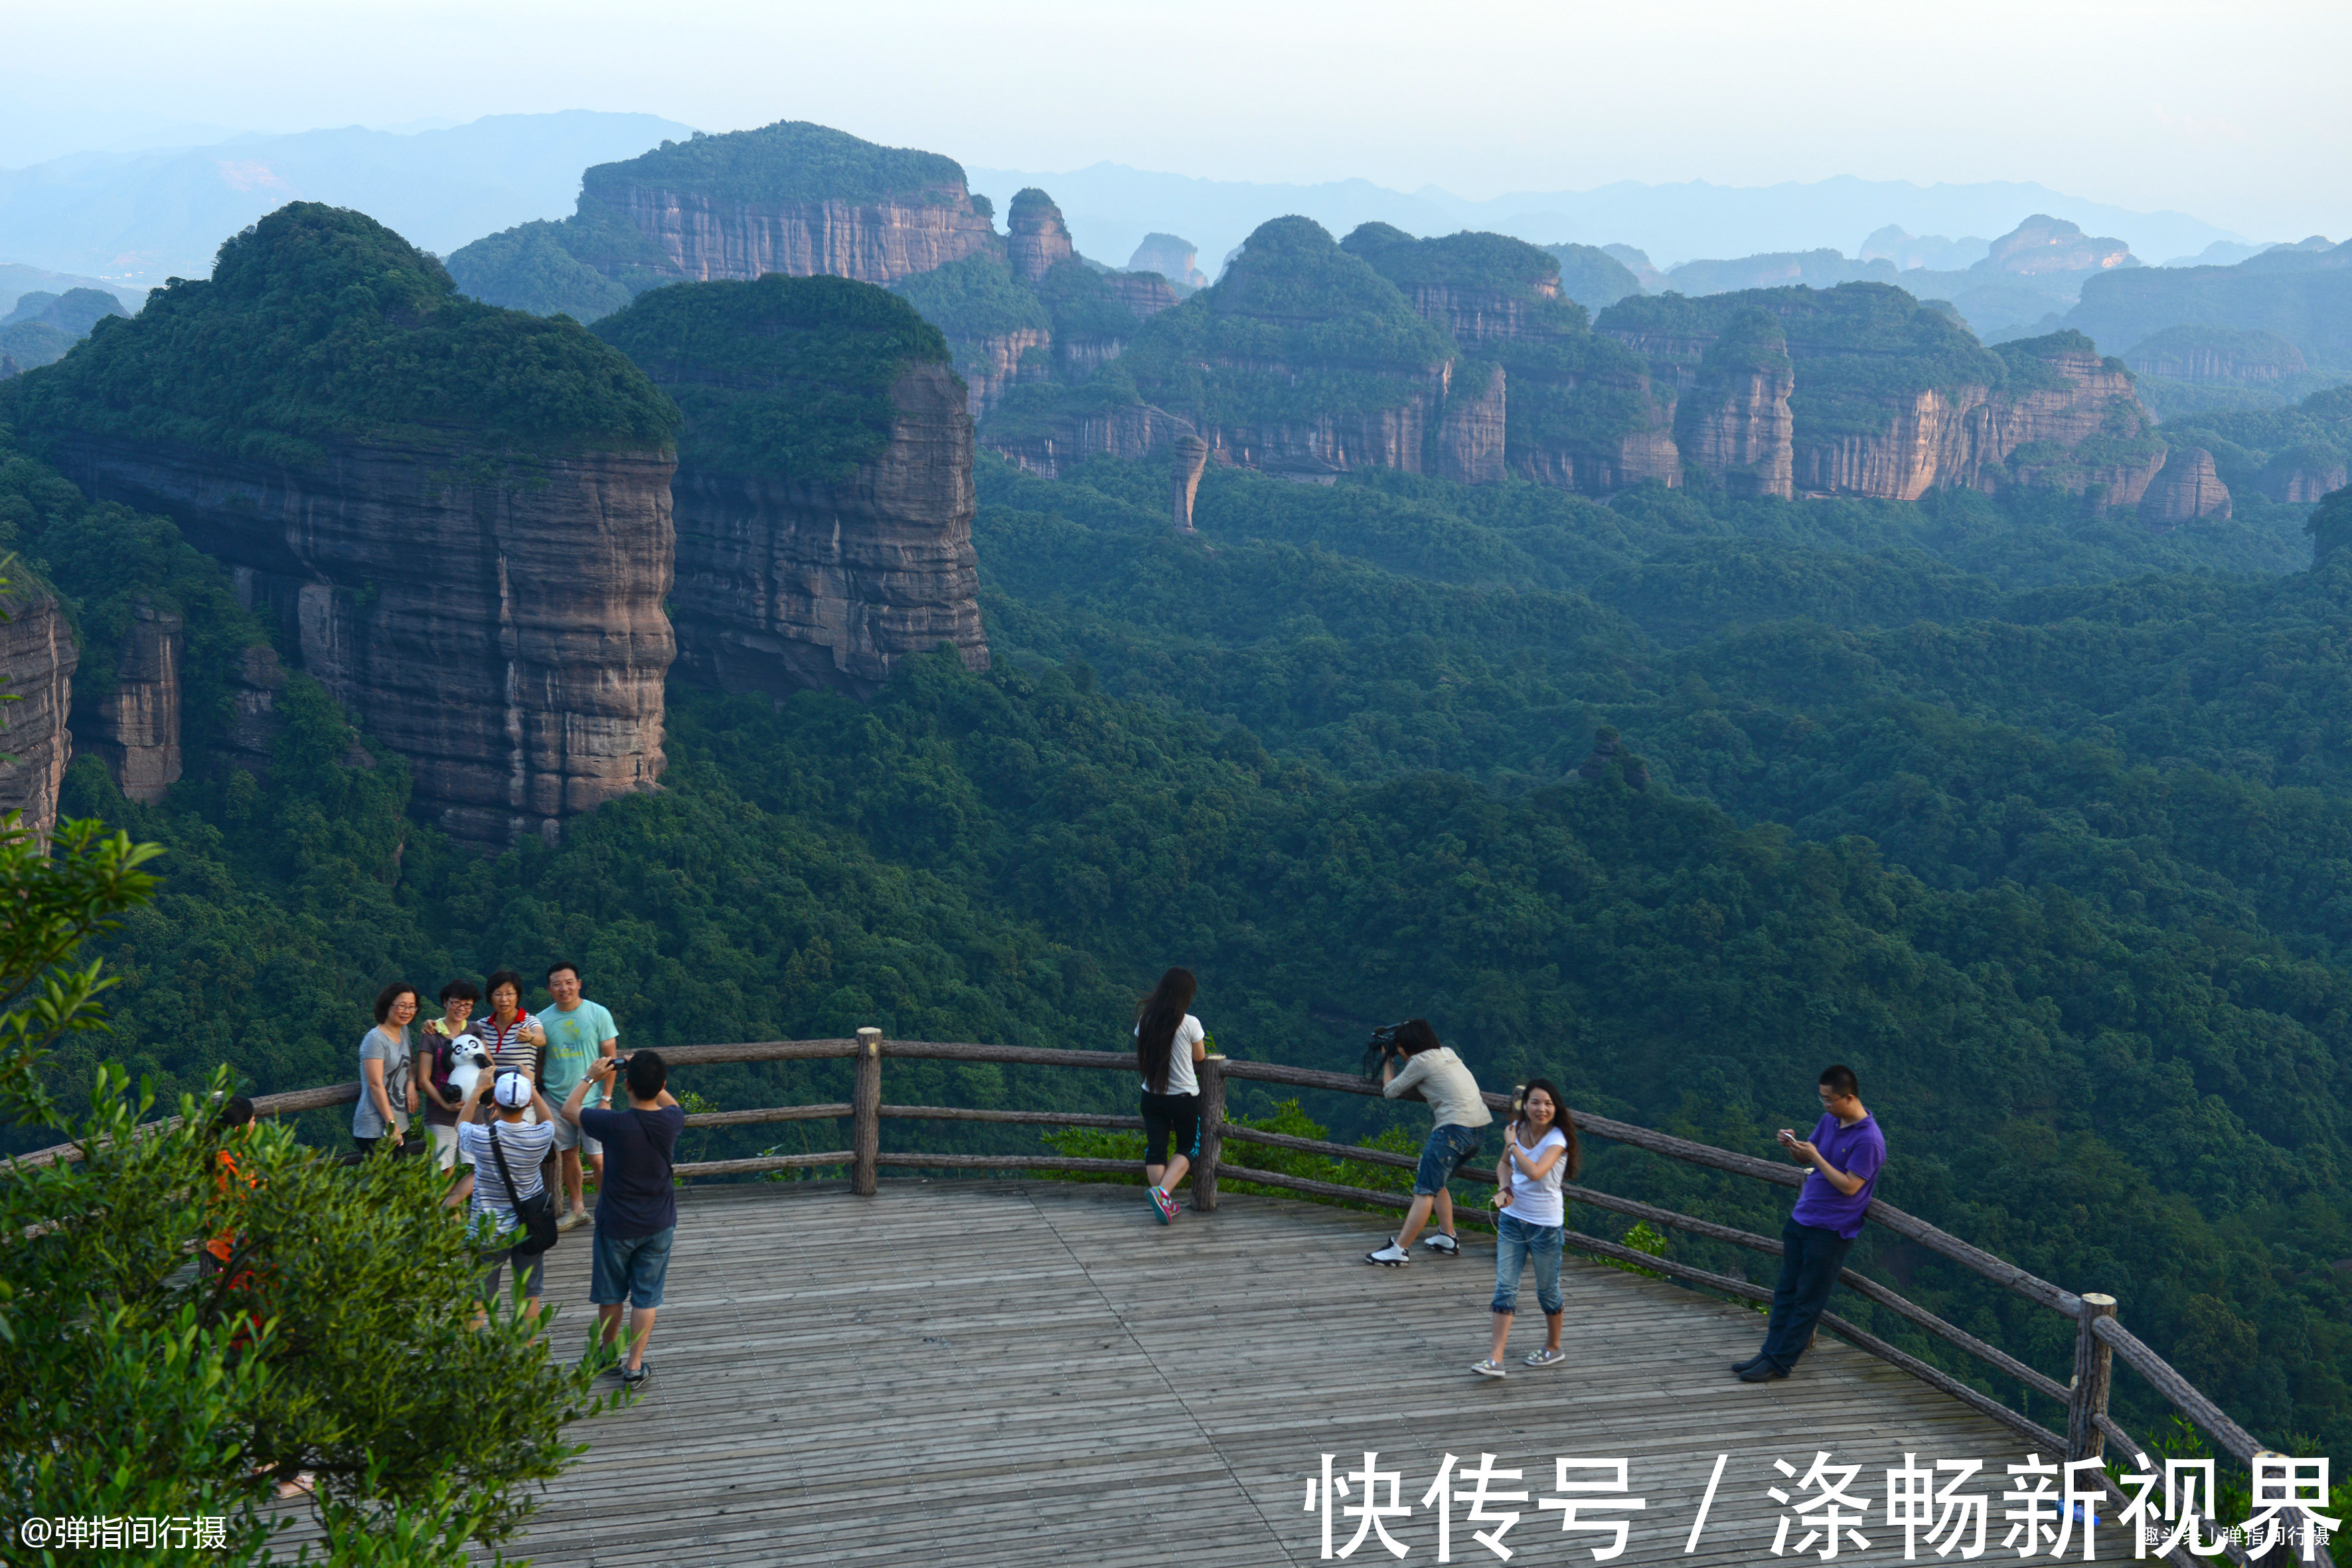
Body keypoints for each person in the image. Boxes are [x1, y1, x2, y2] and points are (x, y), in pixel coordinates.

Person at [1737, 1064, 1887, 1383]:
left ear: (1849, 1097)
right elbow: (1806, 1159)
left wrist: (1816, 1156)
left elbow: (1850, 1186)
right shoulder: (1830, 1120)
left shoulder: (1869, 1140)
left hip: (1832, 1230)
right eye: (1822, 1099)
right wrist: (1793, 1146)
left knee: (1808, 1300)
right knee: (1786, 1292)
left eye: (1829, 1100)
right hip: (1803, 1217)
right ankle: (1769, 1351)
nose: (1825, 1105)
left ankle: (1780, 1363)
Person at [563, 1050, 682, 1393]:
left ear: (626, 1085)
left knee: (612, 1293)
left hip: (616, 1223)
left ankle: (607, 1355)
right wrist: (643, 1071)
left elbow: (569, 1110)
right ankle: (634, 1366)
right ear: (661, 1084)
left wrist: (590, 1077)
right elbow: (669, 1100)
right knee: (647, 1296)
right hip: (659, 1222)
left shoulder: (613, 1124)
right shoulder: (671, 1121)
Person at [1472, 1079, 1577, 1377]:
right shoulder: (1518, 1130)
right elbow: (1504, 1165)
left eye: (1548, 1104)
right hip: (1512, 1219)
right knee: (1505, 1286)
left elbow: (1534, 1172)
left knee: (1547, 1291)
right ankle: (1495, 1358)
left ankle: (1554, 1347)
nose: (1541, 1109)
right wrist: (1504, 1187)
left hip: (1545, 1226)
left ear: (1556, 1109)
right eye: (1535, 1102)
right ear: (1525, 1105)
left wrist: (1512, 1144)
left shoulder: (1557, 1139)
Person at [1365, 1020, 1492, 1265]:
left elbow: (1390, 1090)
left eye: (1399, 1047)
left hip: (1452, 1130)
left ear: (1409, 1046)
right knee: (1435, 1178)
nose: (1399, 1052)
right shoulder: (1447, 1052)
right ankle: (1447, 1237)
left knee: (1424, 1191)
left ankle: (1399, 1250)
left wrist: (1388, 1060)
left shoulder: (1419, 1062)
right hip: (1477, 1130)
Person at [455, 1066, 557, 1321]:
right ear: (528, 1104)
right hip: (529, 1227)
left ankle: (474, 1357)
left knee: (479, 1294)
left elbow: (461, 1125)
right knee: (528, 1293)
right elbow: (550, 1122)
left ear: (495, 1102)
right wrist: (532, 1086)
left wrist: (479, 1087)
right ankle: (527, 1357)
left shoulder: (482, 1138)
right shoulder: (540, 1137)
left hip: (488, 1228)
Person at [537, 961, 619, 1232]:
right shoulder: (542, 1020)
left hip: (593, 1100)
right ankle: (578, 1210)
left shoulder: (598, 1014)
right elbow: (538, 1059)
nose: (564, 988)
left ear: (579, 984)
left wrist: (606, 1098)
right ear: (549, 989)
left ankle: (610, 1210)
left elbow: (611, 1059)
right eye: (557, 983)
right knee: (568, 1155)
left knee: (598, 1158)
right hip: (556, 1097)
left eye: (569, 982)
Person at [1133, 967, 1206, 1225]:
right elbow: (1200, 1057)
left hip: (1151, 1096)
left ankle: (1162, 1203)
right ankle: (1162, 1194)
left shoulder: (1145, 1021)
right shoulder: (1190, 1023)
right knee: (1188, 1147)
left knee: (1156, 1150)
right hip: (1183, 1099)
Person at [418, 979, 483, 1198]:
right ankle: (447, 1223)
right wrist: (446, 1103)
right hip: (440, 1115)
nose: (462, 1008)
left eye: (468, 1004)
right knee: (444, 1172)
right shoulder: (432, 1033)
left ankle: (450, 1209)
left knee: (480, 1169)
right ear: (445, 1002)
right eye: (457, 1003)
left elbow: (487, 1065)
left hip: (474, 1113)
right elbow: (423, 1079)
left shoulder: (475, 1030)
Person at [351, 982, 420, 1156]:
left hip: (400, 1122)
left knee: (397, 1180)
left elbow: (411, 1063)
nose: (407, 1011)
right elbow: (375, 1084)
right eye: (402, 1006)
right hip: (375, 1128)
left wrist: (411, 1084)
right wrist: (391, 1124)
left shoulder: (403, 1031)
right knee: (387, 1181)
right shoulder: (375, 1039)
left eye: (412, 1007)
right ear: (388, 1005)